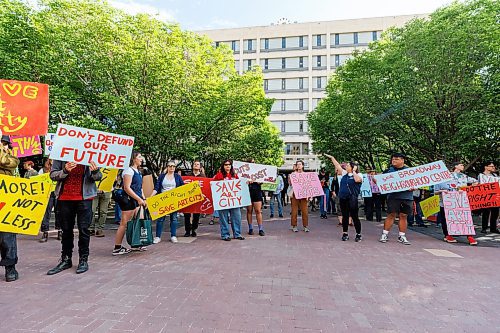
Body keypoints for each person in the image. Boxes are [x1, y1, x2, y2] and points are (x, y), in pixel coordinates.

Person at [47, 159, 102, 275]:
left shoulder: (91, 153)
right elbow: (53, 175)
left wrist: (95, 171)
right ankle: (66, 259)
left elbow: (98, 177)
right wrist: (65, 170)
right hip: (64, 198)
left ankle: (83, 260)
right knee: (66, 230)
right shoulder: (61, 153)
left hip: (85, 199)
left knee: (84, 230)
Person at [112, 151, 146, 255]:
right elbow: (127, 188)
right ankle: (117, 247)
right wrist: (138, 199)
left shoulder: (138, 171)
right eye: (139, 157)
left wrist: (143, 198)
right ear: (133, 159)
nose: (141, 159)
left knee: (138, 221)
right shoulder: (128, 171)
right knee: (124, 223)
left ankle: (136, 243)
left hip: (136, 200)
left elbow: (139, 187)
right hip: (129, 200)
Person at [326, 154, 363, 241]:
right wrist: (332, 158)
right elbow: (337, 165)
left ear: (353, 167)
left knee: (354, 217)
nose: (346, 166)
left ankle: (358, 234)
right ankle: (345, 233)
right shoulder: (344, 174)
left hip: (352, 198)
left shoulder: (359, 174)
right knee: (345, 216)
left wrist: (353, 172)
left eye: (348, 165)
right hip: (343, 198)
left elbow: (358, 180)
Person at [378, 153, 412, 245]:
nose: (394, 161)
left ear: (402, 160)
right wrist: (376, 180)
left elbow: (416, 183)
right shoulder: (388, 171)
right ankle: (385, 234)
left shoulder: (409, 171)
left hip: (407, 197)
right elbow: (379, 181)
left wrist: (413, 187)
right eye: (393, 159)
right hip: (393, 197)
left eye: (396, 159)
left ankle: (402, 236)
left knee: (404, 216)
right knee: (391, 215)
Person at [0, 135, 21, 281]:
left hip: (6, 203)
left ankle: (10, 267)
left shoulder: (13, 159)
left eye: (5, 144)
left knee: (7, 236)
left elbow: (3, 160)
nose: (3, 146)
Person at [434, 176, 478, 245]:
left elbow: (457, 188)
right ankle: (447, 235)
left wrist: (459, 191)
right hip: (445, 204)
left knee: (464, 218)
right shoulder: (439, 182)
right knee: (447, 220)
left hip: (457, 204)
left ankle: (469, 235)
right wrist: (441, 191)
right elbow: (435, 192)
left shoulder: (455, 180)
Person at [151, 161, 184, 243]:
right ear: (167, 167)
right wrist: (150, 197)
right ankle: (158, 236)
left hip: (174, 200)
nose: (171, 168)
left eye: (173, 166)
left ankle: (173, 235)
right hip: (163, 200)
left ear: (175, 167)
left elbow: (183, 188)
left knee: (174, 218)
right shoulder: (162, 176)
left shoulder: (177, 177)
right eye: (170, 166)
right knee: (160, 219)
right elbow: (157, 187)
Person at [213, 160, 245, 241]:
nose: (227, 166)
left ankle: (237, 234)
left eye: (229, 164)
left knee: (237, 217)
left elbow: (240, 185)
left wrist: (246, 183)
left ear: (231, 166)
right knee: (223, 218)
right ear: (223, 166)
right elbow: (214, 186)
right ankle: (225, 235)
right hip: (223, 201)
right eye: (226, 165)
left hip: (234, 201)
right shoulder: (219, 175)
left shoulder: (235, 175)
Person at [39, 158, 61, 242]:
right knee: (46, 213)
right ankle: (45, 232)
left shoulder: (60, 168)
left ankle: (60, 231)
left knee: (59, 212)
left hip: (57, 192)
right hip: (47, 194)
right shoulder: (43, 170)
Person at [183, 161, 205, 237]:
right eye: (195, 164)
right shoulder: (187, 175)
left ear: (200, 167)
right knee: (187, 214)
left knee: (196, 214)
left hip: (198, 198)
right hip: (188, 198)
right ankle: (187, 230)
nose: (196, 165)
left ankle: (194, 229)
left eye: (197, 164)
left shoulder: (203, 176)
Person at [478, 161, 499, 234]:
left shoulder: (495, 175)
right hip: (485, 197)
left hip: (495, 197)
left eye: (493, 166)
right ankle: (484, 228)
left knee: (495, 213)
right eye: (491, 166)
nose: (493, 168)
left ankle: (493, 228)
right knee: (486, 212)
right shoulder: (481, 175)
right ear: (486, 167)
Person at [246, 159, 265, 236]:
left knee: (258, 210)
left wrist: (258, 181)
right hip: (247, 192)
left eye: (253, 162)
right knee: (249, 210)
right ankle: (250, 228)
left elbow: (263, 180)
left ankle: (260, 229)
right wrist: (246, 181)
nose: (252, 164)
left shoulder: (259, 171)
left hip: (257, 191)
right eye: (250, 163)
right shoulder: (244, 172)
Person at [290, 160, 310, 232]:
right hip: (295, 194)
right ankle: (294, 226)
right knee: (294, 211)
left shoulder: (306, 174)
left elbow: (308, 185)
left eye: (300, 164)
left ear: (303, 166)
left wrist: (308, 195)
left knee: (305, 211)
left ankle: (305, 226)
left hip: (303, 194)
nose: (298, 165)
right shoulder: (293, 174)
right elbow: (290, 184)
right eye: (297, 164)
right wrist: (291, 177)